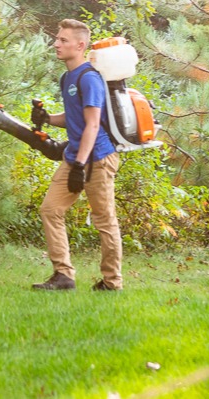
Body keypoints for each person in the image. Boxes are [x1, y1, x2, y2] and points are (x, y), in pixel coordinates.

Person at [31, 19, 123, 292]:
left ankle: (112, 282)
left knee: (104, 220)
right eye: (57, 39)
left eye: (63, 40)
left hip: (97, 159)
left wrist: (79, 166)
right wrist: (47, 118)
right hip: (76, 156)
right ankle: (64, 276)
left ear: (80, 45)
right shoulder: (67, 78)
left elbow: (93, 125)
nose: (56, 44)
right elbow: (74, 118)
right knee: (50, 210)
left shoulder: (89, 78)